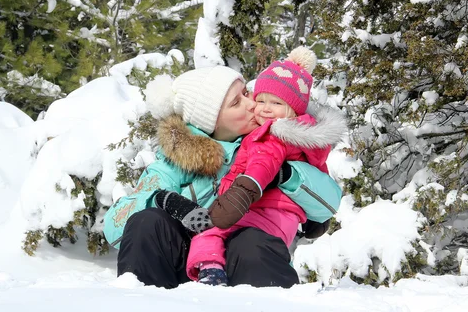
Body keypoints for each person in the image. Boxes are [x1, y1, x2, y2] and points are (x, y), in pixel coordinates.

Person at [103, 61, 345, 289]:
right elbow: (115, 228)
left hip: (247, 261)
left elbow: (327, 207)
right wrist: (163, 201)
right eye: (236, 103)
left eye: (246, 94)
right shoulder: (174, 163)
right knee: (148, 222)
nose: (252, 104)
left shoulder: (272, 140)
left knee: (249, 242)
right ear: (212, 122)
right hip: (185, 265)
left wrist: (285, 175)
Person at [186, 47, 345, 285]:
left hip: (263, 210)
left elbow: (263, 163)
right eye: (260, 100)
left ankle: (210, 271)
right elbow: (320, 171)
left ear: (293, 110)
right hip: (283, 218)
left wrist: (242, 191)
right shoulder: (305, 136)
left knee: (209, 230)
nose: (265, 108)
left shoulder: (274, 133)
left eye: (276, 103)